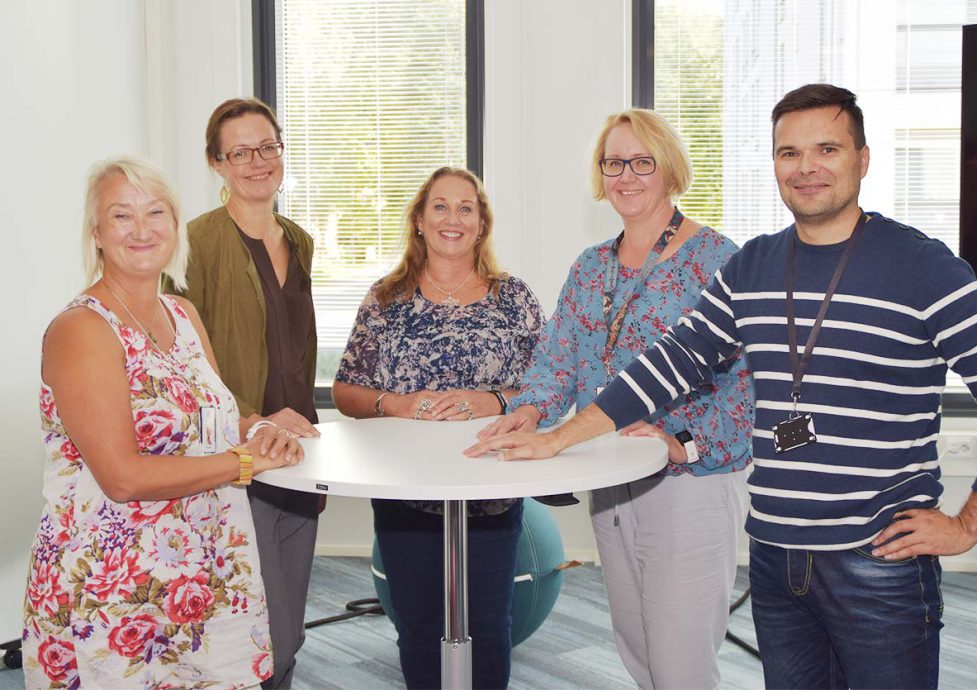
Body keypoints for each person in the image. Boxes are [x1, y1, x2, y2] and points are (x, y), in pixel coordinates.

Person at [467, 83, 977, 690]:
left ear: (862, 159)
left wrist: (968, 525)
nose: (806, 167)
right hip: (775, 556)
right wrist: (557, 437)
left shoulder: (920, 264)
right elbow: (670, 363)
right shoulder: (754, 265)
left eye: (827, 149)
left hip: (878, 560)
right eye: (789, 153)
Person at [476, 109, 754, 689]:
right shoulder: (591, 267)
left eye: (642, 162)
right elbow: (558, 358)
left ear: (670, 169)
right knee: (638, 650)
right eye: (614, 163)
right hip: (608, 475)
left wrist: (683, 444)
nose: (626, 176)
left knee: (681, 664)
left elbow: (749, 385)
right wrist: (530, 408)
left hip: (687, 480)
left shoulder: (718, 260)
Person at [23, 157, 304, 689]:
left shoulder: (182, 314)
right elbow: (123, 477)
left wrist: (257, 428)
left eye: (156, 212)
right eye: (121, 215)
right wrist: (244, 463)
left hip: (204, 571)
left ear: (176, 226)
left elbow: (209, 419)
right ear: (96, 234)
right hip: (115, 592)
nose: (142, 229)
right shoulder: (82, 329)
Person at [333, 166, 544, 689]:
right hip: (404, 494)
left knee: (489, 628)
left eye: (466, 208)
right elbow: (345, 390)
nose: (453, 218)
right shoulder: (386, 298)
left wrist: (492, 400)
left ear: (481, 224)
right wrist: (398, 404)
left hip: (492, 491)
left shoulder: (513, 297)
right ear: (420, 221)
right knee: (418, 627)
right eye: (441, 206)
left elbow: (549, 386)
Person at [168, 97, 321, 689]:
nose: (257, 162)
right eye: (239, 152)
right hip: (235, 459)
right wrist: (252, 417)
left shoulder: (299, 241)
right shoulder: (194, 243)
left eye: (267, 147)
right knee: (258, 631)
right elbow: (179, 360)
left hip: (296, 455)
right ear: (216, 163)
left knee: (289, 630)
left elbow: (298, 349)